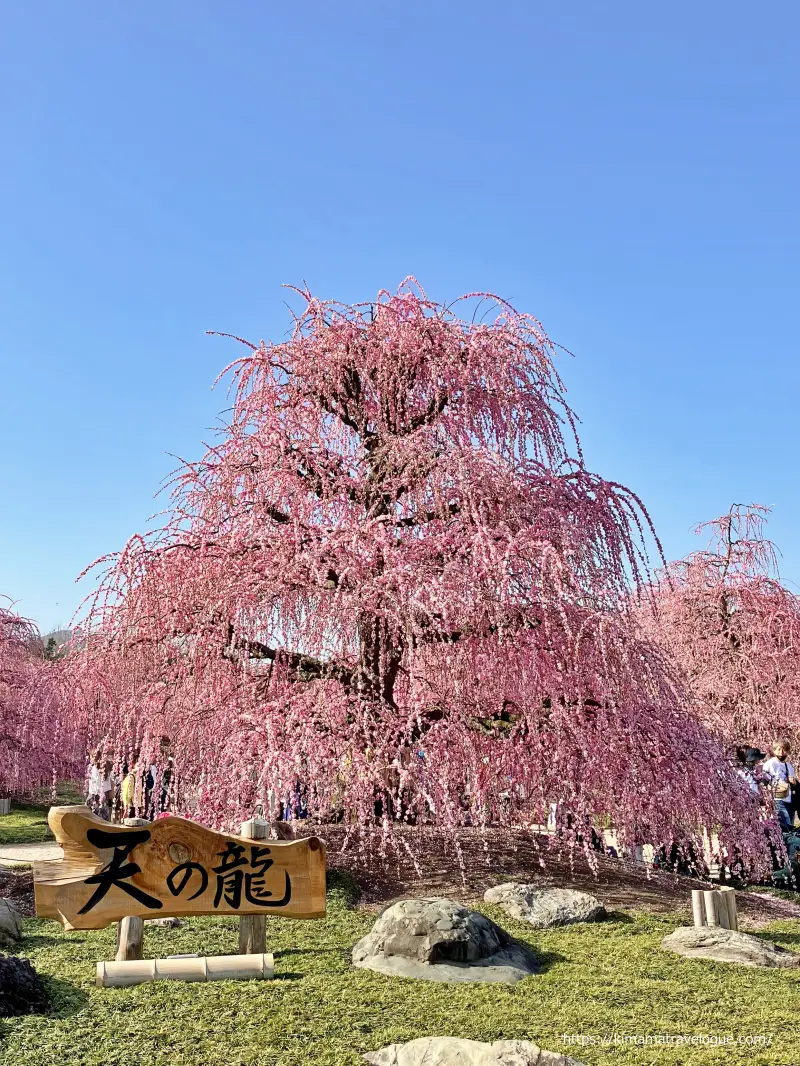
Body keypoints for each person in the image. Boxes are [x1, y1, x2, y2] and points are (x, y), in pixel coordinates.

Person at [762, 740, 796, 831]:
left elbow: (793, 782)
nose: (781, 752)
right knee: (787, 826)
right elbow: (763, 780)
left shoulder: (788, 765)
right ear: (774, 751)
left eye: (784, 750)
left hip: (790, 799)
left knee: (790, 827)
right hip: (778, 799)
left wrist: (792, 781)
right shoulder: (770, 764)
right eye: (778, 750)